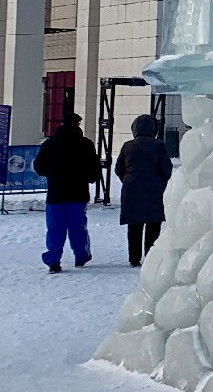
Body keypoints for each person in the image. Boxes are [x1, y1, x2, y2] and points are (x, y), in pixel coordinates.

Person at [34, 110, 101, 273]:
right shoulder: (85, 144)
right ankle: (81, 255)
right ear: (77, 125)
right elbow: (94, 169)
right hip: (78, 193)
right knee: (78, 226)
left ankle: (53, 259)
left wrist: (52, 173)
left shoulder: (49, 144)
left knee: (55, 228)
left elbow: (39, 167)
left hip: (55, 193)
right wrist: (89, 177)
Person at [114, 113, 174, 267]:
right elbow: (166, 169)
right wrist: (160, 181)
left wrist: (128, 179)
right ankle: (150, 256)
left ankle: (134, 257)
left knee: (134, 225)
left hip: (132, 190)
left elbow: (118, 168)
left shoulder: (128, 146)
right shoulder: (159, 145)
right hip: (154, 189)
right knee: (153, 224)